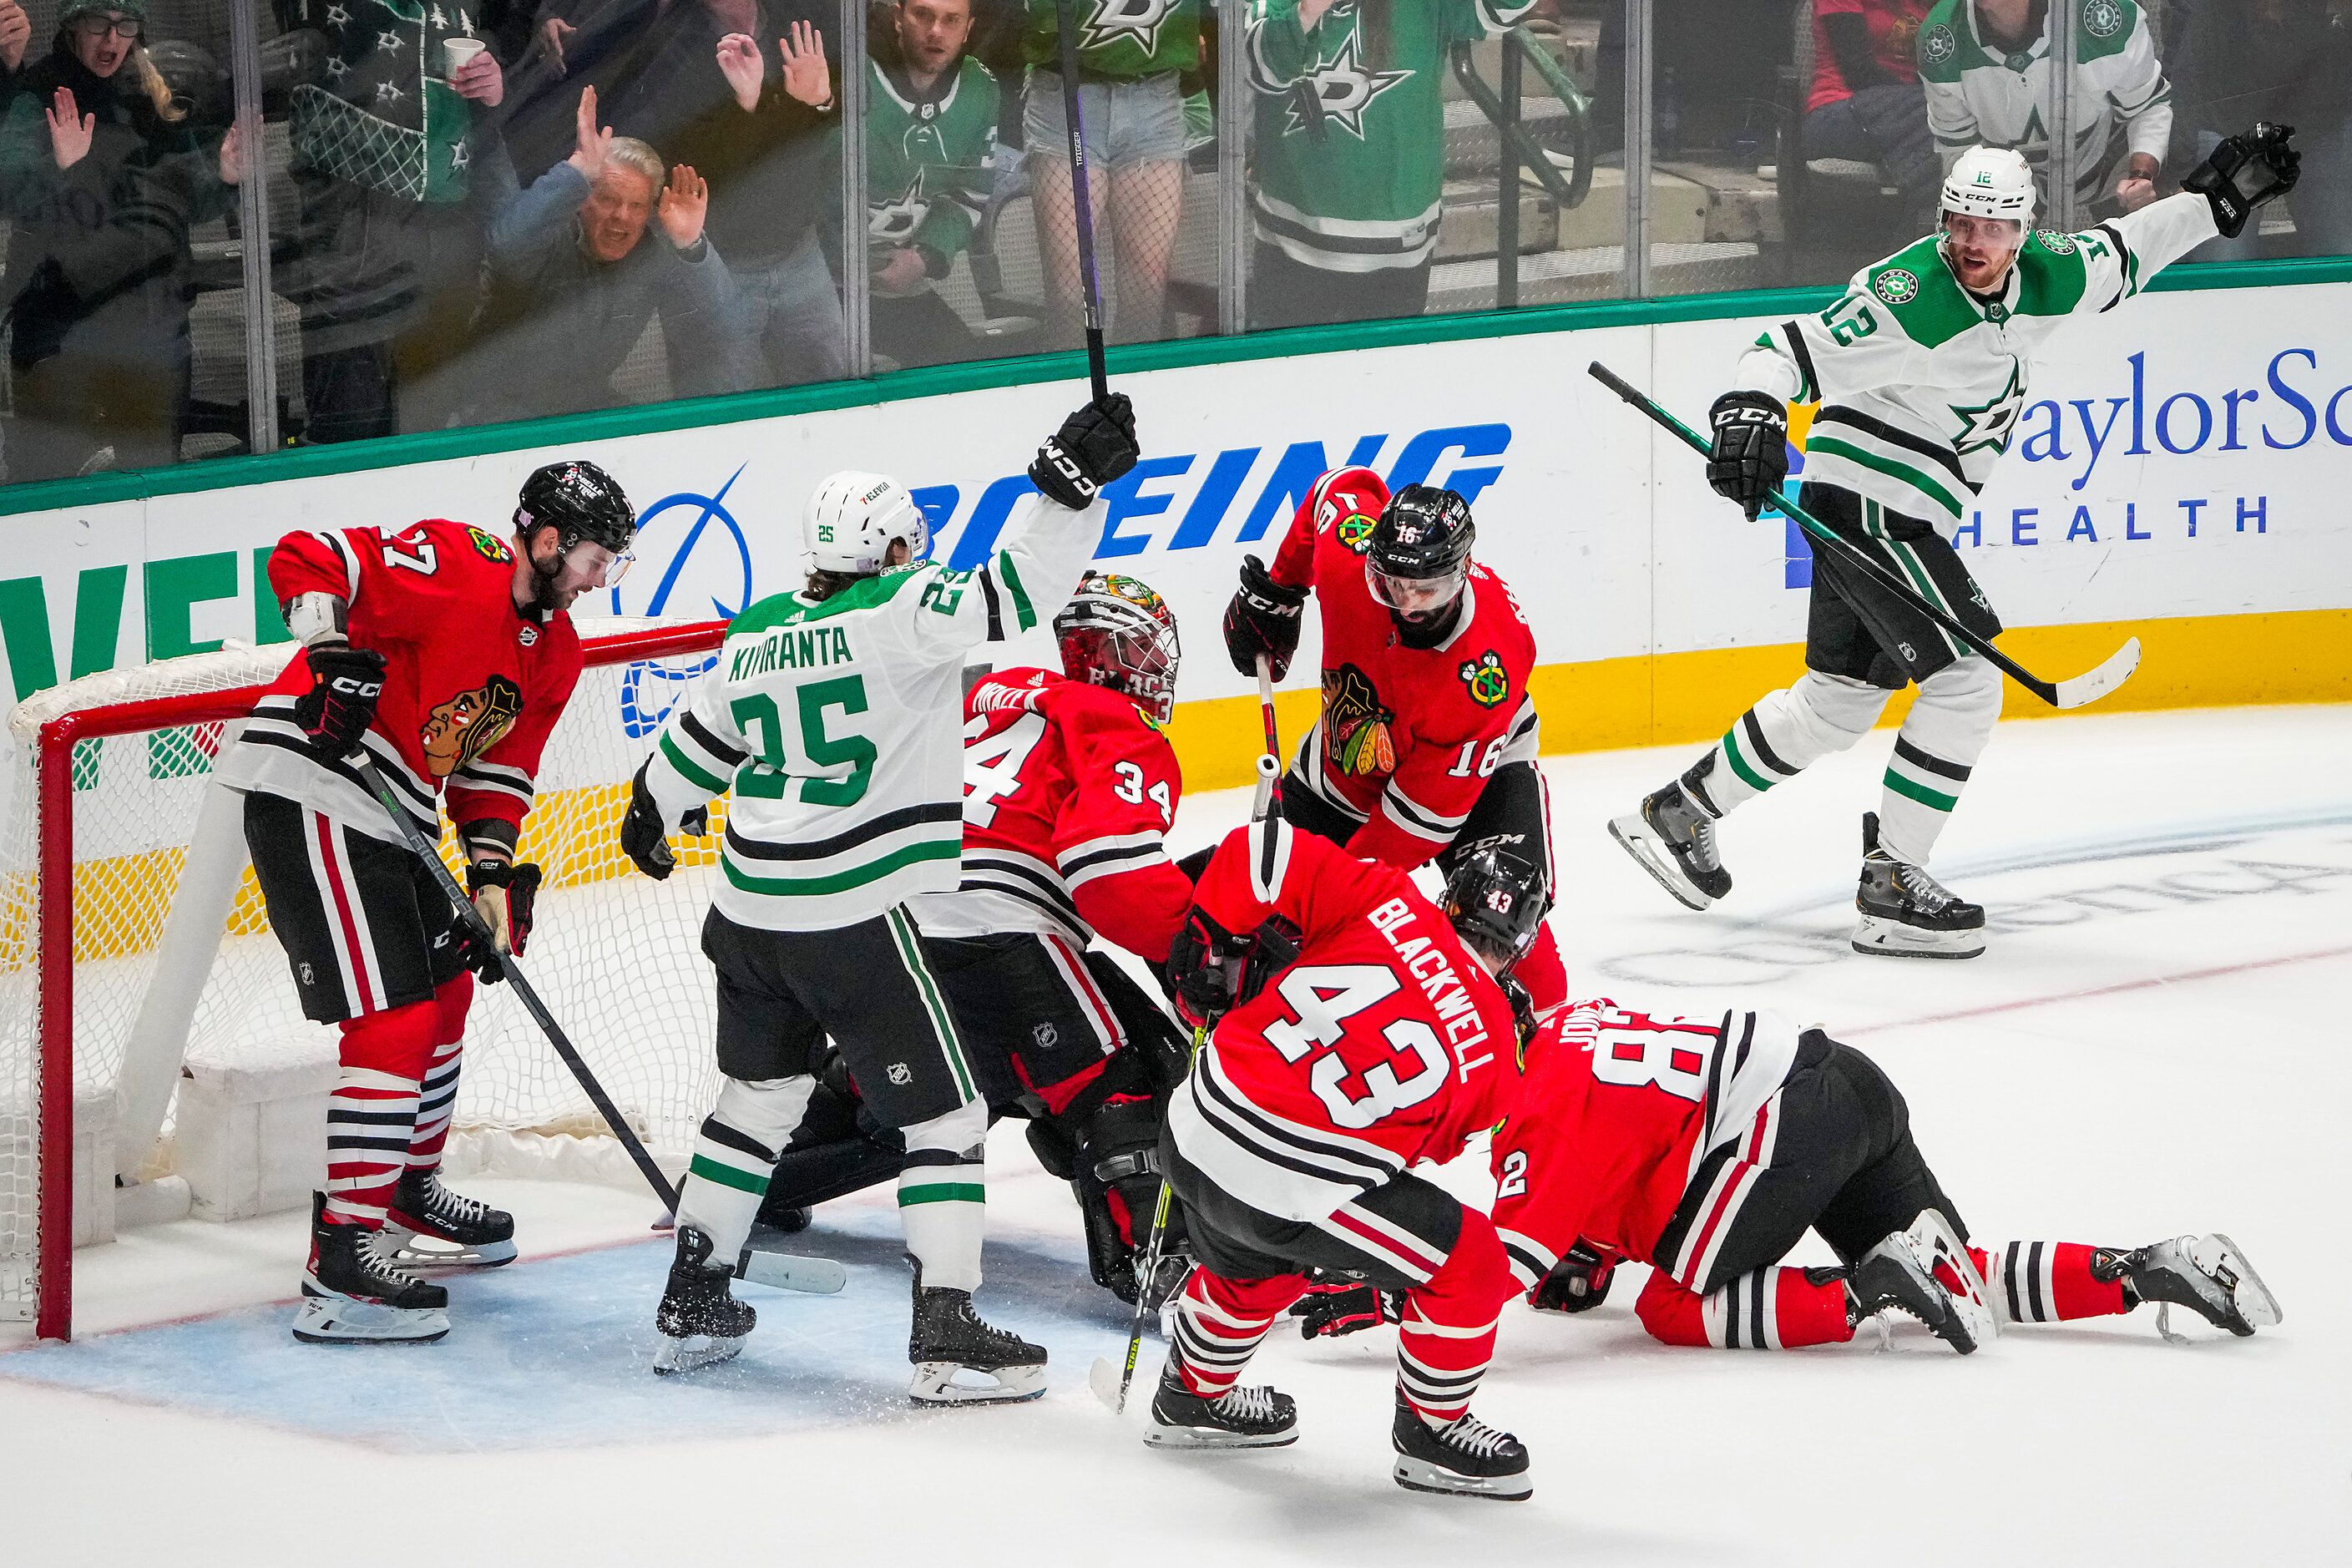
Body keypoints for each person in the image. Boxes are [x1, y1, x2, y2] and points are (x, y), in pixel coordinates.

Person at [1608, 130, 2299, 957]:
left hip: (1892, 510)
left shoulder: (2049, 271)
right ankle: (1895, 879)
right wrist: (1748, 411)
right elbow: (1787, 351)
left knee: (1839, 700)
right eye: (1961, 224)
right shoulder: (1910, 294)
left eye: (1995, 228)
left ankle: (1681, 813)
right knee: (1968, 687)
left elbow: (2126, 248)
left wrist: (2214, 204)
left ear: (2023, 230)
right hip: (1876, 505)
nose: (1974, 243)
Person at [619, 393, 1140, 1393]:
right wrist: (1068, 491)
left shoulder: (761, 632)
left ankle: (692, 1299)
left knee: (756, 1101)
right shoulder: (903, 612)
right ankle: (947, 1333)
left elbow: (678, 769)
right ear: (897, 548)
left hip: (746, 915)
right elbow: (1019, 591)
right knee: (946, 1119)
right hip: (850, 916)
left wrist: (652, 817)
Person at [1467, 891, 2283, 1353]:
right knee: (1954, 1273)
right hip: (1847, 1083)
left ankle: (1866, 1291)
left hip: (1777, 1129)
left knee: (1672, 1309)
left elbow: (1493, 1270)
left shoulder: (1535, 1111)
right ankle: (2147, 1269)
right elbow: (1620, 1159)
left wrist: (1372, 1294)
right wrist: (1589, 1255)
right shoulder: (1580, 1022)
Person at [211, 461, 639, 1343]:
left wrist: (489, 880)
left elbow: (497, 771)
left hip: (396, 808)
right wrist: (329, 654)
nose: (602, 578)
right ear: (549, 540)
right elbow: (308, 556)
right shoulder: (456, 562)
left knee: (445, 994)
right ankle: (343, 1260)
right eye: (598, 557)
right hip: (314, 781)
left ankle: (404, 1187)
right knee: (395, 1020)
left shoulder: (556, 652)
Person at [753, 572, 1196, 1306]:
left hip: (887, 923)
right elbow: (1108, 878)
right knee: (1119, 1077)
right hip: (1002, 932)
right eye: (1146, 649)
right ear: (1118, 654)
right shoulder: (1125, 730)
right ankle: (1160, 1260)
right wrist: (1190, 949)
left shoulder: (992, 693)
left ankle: (747, 1177)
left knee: (907, 1094)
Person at [1146, 817, 1535, 1499]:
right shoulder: (1497, 1052)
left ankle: (1191, 1395)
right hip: (1279, 1185)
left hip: (1187, 1127)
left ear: (1452, 898)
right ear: (1519, 945)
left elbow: (1260, 849)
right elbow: (1427, 1149)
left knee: (1259, 1260)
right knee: (1468, 1257)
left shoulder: (1386, 897)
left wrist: (1212, 939)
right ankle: (1432, 1433)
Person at [1219, 470, 1565, 1012]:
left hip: (1477, 779)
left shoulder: (1484, 672)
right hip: (1339, 773)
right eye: (1390, 584)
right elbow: (1334, 489)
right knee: (1247, 927)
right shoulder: (1348, 554)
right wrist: (1282, 592)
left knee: (1514, 948)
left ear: (1460, 573)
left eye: (1424, 588)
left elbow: (1411, 830)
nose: (1405, 603)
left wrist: (1327, 905)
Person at [0, 0, 240, 483]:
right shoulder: (37, 93)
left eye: (124, 26)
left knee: (152, 489)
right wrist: (59, 167)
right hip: (61, 342)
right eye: (98, 25)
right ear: (71, 27)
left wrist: (225, 177)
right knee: (52, 492)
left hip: (154, 336)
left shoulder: (153, 94)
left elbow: (190, 201)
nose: (112, 41)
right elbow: (11, 194)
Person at [269, 0, 512, 441]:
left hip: (443, 246)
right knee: (348, 430)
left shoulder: (455, 10)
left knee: (433, 421)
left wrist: (492, 90)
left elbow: (477, 130)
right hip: (352, 245)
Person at [1242, 0, 1536, 331]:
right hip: (1293, 244)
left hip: (1398, 243)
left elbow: (1504, 9)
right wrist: (1307, 12)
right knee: (1291, 377)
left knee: (1386, 377)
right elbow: (1256, 68)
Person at [461, 88, 744, 423]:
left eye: (636, 206)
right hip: (499, 415)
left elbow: (728, 326)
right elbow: (506, 244)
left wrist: (691, 244)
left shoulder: (650, 253)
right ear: (581, 199)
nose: (622, 216)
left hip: (585, 408)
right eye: (608, 199)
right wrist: (577, 172)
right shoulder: (546, 237)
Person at [1020, 0, 1201, 344]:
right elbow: (1041, 15)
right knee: (1070, 297)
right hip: (1066, 93)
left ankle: (1135, 393)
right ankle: (1072, 392)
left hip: (1155, 96)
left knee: (1145, 296)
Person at [1917, 0, 2171, 217]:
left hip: (2109, 167)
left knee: (2139, 258)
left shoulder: (2103, 14)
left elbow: (2148, 105)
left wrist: (2141, 176)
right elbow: (1958, 148)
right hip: (2007, 185)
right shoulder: (1940, 40)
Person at [867, 0, 1001, 369]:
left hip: (901, 282)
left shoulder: (980, 88)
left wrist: (922, 259)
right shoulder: (849, 72)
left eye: (951, 20)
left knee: (958, 365)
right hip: (825, 286)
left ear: (968, 28)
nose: (936, 31)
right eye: (923, 14)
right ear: (898, 17)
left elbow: (968, 194)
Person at [2165, 0, 2352, 260]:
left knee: (2342, 251)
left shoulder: (2327, 15)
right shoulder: (2208, 16)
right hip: (2229, 140)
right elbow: (2184, 89)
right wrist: (2179, 173)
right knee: (2224, 259)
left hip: (2314, 131)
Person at [1804, 0, 1940, 229]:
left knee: (1957, 116)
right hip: (1839, 113)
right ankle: (1914, 235)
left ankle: (1909, 237)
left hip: (1909, 118)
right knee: (1948, 117)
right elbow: (1858, 71)